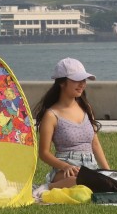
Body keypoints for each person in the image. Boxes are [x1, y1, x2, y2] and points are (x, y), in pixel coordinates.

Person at [31, 57, 110, 188]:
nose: (82, 84)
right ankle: (47, 187)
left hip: (91, 167)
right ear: (62, 83)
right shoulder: (51, 115)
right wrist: (66, 166)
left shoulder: (86, 108)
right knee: (80, 182)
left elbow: (95, 143)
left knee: (106, 182)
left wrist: (108, 171)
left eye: (83, 80)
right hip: (66, 171)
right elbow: (44, 153)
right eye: (76, 80)